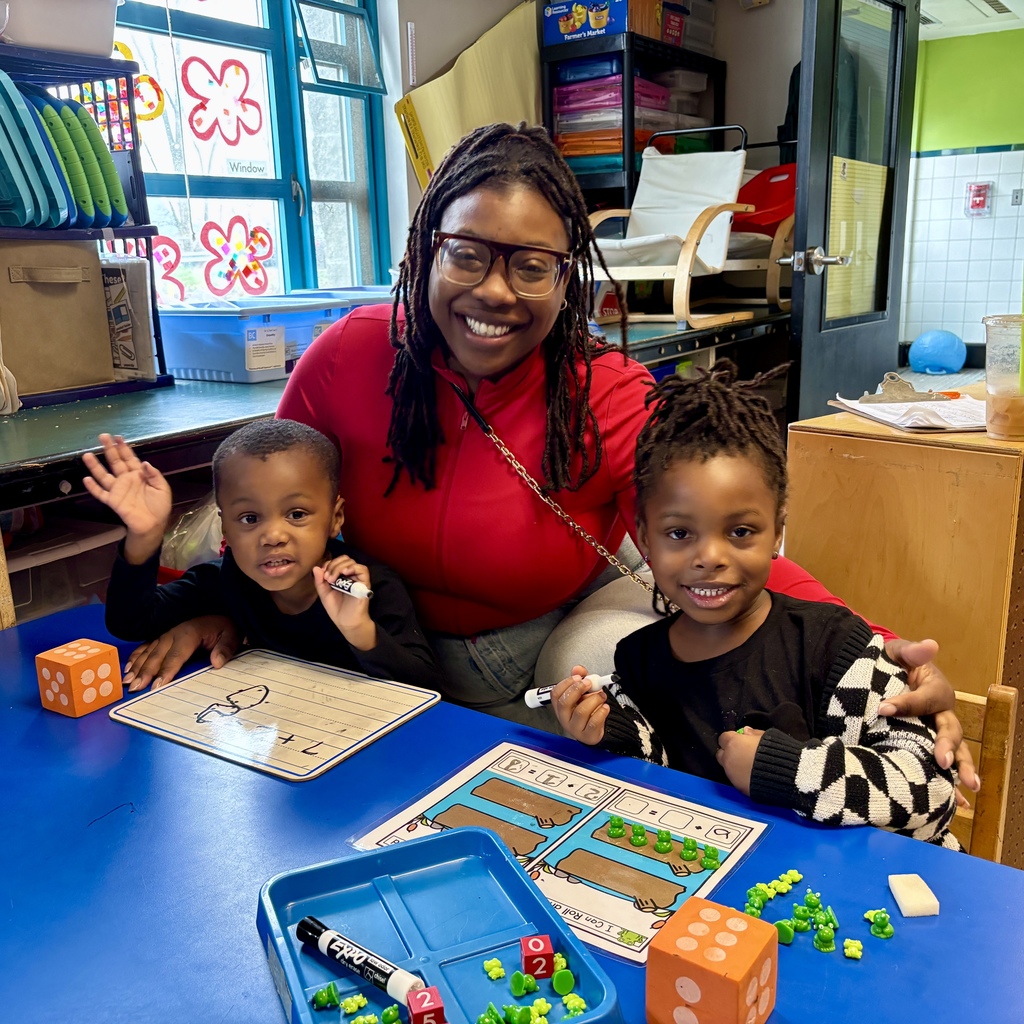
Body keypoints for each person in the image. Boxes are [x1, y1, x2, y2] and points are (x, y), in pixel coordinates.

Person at [116, 122, 975, 790]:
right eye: (467, 254)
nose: (494, 291)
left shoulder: (599, 391)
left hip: (561, 621)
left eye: (532, 266)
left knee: (614, 679)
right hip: (391, 646)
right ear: (424, 252)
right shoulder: (343, 360)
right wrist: (229, 610)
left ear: (568, 281)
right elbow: (269, 502)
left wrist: (880, 659)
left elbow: (732, 534)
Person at [550, 362, 959, 847]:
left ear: (777, 534)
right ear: (644, 540)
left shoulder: (835, 647)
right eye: (679, 533)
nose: (710, 558)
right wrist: (606, 728)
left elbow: (932, 796)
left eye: (740, 531)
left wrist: (787, 771)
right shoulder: (638, 660)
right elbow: (659, 768)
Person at [82, 422, 442, 691]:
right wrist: (144, 538)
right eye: (250, 519)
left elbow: (427, 684)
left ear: (335, 518)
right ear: (225, 530)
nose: (273, 536)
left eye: (297, 514)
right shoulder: (227, 579)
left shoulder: (365, 586)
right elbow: (131, 623)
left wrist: (360, 631)